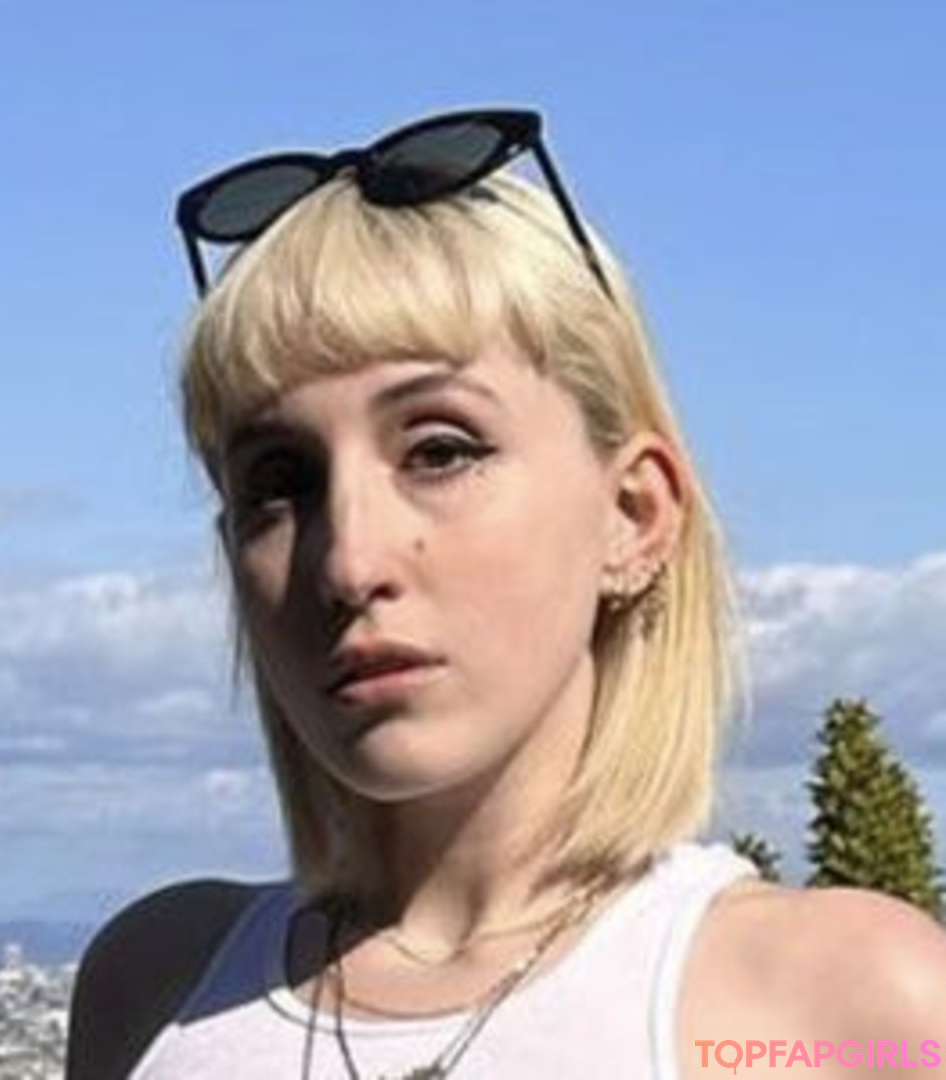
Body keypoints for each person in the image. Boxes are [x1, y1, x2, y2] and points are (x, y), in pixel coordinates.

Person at [66, 109, 946, 1079]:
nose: (349, 561)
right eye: (279, 482)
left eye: (440, 451)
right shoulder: (156, 987)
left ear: (634, 513)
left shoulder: (839, 1010)